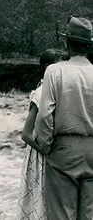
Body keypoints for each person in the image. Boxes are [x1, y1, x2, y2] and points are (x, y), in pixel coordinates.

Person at [35, 17, 93, 220]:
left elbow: (44, 115)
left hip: (63, 149)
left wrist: (46, 145)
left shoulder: (55, 71)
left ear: (66, 44)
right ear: (89, 46)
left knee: (61, 215)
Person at [18, 49, 67, 220]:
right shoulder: (40, 94)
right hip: (41, 155)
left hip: (51, 153)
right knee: (40, 205)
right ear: (48, 68)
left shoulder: (53, 91)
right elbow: (25, 134)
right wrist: (46, 151)